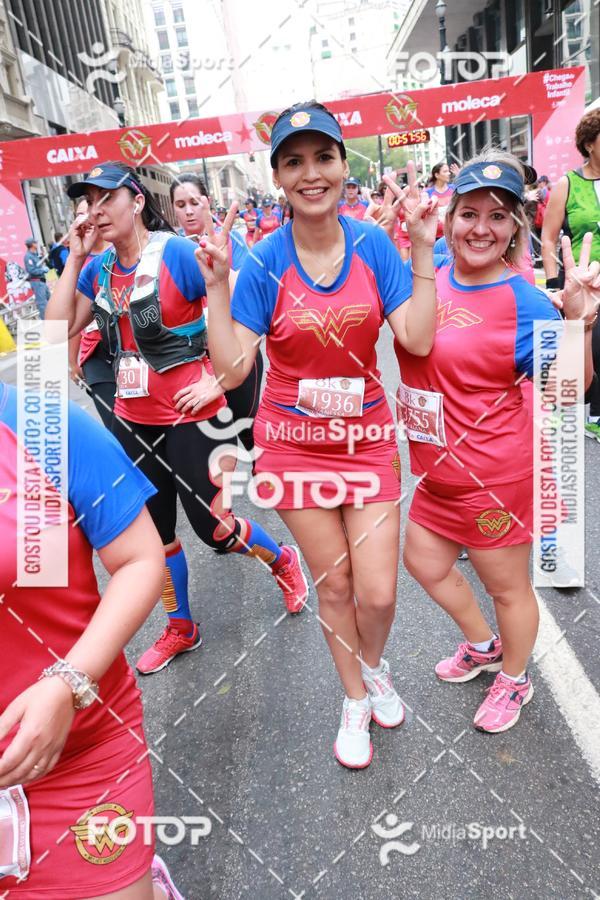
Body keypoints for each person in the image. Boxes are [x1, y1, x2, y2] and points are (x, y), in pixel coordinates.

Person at [195, 100, 438, 769]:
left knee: (378, 592)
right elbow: (233, 370)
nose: (311, 174)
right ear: (277, 177)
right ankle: (354, 697)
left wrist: (421, 248)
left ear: (341, 165)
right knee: (335, 586)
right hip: (291, 444)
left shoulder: (372, 246)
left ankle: (374, 666)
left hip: (366, 439)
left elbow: (417, 338)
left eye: (323, 157)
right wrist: (217, 288)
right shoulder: (264, 261)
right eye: (294, 162)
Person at [46, 162, 308, 678]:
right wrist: (74, 258)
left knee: (216, 530)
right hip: (132, 419)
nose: (97, 211)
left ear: (138, 202)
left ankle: (282, 560)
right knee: (155, 535)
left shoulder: (177, 255)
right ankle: (181, 626)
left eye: (108, 198)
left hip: (192, 416)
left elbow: (245, 319)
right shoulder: (98, 269)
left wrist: (219, 381)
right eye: (89, 201)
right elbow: (53, 335)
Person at [396, 151, 598, 734]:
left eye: (498, 216)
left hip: (494, 476)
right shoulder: (429, 271)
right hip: (437, 472)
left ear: (515, 227)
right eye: (469, 213)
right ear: (449, 218)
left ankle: (515, 677)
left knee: (505, 587)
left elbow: (567, 392)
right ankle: (484, 646)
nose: (481, 228)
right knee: (424, 563)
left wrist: (580, 325)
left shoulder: (524, 301)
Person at [0, 378, 185, 899]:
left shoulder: (44, 427)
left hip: (75, 754)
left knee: (212, 525)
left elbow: (141, 558)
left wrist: (69, 680)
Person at [170, 172, 262, 456]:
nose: (188, 211)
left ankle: (264, 471)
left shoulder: (230, 239)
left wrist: (220, 273)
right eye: (180, 205)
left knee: (248, 431)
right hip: (195, 358)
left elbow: (250, 298)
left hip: (237, 348)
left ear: (207, 202)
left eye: (194, 202)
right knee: (213, 441)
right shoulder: (170, 249)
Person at [542, 109, 600, 441]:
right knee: (587, 345)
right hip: (581, 282)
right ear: (589, 144)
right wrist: (554, 283)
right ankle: (578, 410)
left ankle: (594, 413)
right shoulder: (568, 183)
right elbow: (549, 237)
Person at [67, 199, 115, 429]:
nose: (84, 220)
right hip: (95, 353)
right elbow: (71, 319)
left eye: (88, 213)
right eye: (79, 215)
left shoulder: (122, 249)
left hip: (133, 350)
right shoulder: (76, 260)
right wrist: (72, 361)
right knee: (115, 425)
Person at [425, 161, 455, 238]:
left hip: (453, 234)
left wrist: (459, 175)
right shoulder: (427, 193)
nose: (449, 173)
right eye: (445, 171)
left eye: (448, 171)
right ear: (437, 175)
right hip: (435, 236)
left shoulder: (454, 188)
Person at [23, 237, 50, 318]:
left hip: (42, 281)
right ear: (32, 244)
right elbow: (31, 270)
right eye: (35, 243)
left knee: (50, 300)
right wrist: (42, 270)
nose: (37, 244)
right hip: (37, 282)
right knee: (42, 305)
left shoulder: (34, 255)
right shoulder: (28, 256)